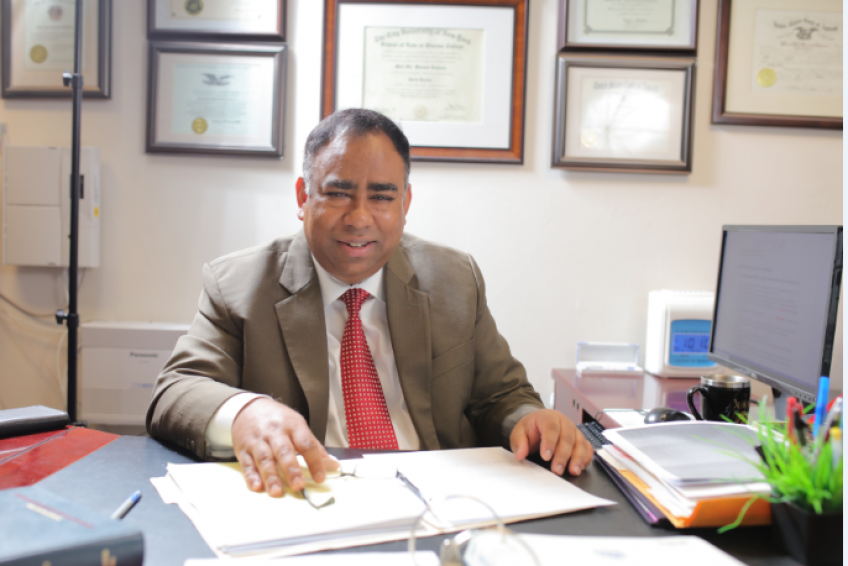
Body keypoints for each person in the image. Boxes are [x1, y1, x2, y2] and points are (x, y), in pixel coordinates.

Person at [147, 109, 592, 497]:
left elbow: (502, 394)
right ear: (303, 197)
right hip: (313, 493)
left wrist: (531, 421)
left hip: (441, 498)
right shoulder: (239, 285)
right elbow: (176, 391)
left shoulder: (454, 279)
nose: (360, 218)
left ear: (405, 202)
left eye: (381, 197)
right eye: (338, 193)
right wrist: (245, 412)